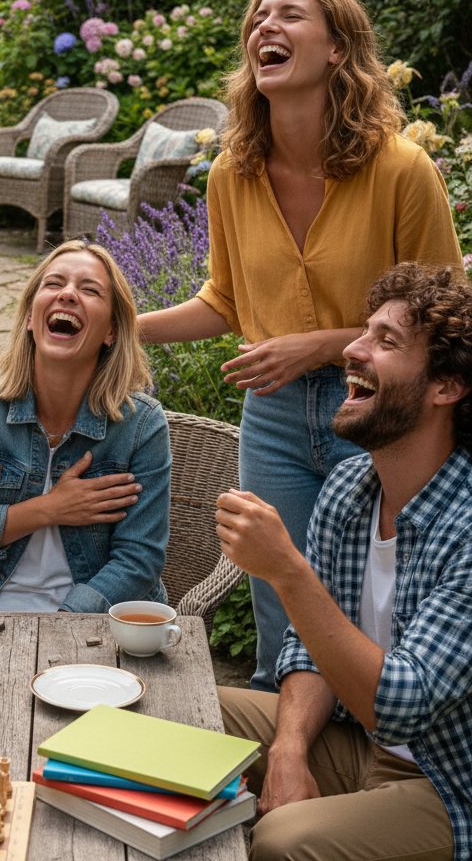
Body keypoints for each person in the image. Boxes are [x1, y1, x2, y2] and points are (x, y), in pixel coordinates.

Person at [136, 0, 462, 690]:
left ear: (338, 48)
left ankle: (381, 766)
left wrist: (321, 345)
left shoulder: (401, 170)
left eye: (290, 15)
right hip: (275, 418)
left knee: (380, 599)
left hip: (384, 413)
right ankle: (285, 765)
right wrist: (121, 327)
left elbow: (445, 316)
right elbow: (225, 301)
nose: (265, 28)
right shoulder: (232, 173)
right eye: (258, 18)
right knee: (280, 603)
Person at [216, 262, 472, 861]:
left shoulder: (465, 521)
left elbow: (402, 705)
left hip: (445, 783)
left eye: (386, 342)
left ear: (447, 387)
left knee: (283, 841)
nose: (352, 351)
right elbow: (309, 648)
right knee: (171, 708)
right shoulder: (351, 485)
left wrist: (287, 571)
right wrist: (287, 753)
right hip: (355, 741)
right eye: (363, 333)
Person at [0, 240, 170, 612]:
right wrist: (49, 508)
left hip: (97, 618)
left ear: (112, 331)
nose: (68, 294)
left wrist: (62, 624)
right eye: (53, 284)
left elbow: (139, 561)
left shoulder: (142, 424)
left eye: (89, 290)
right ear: (29, 318)